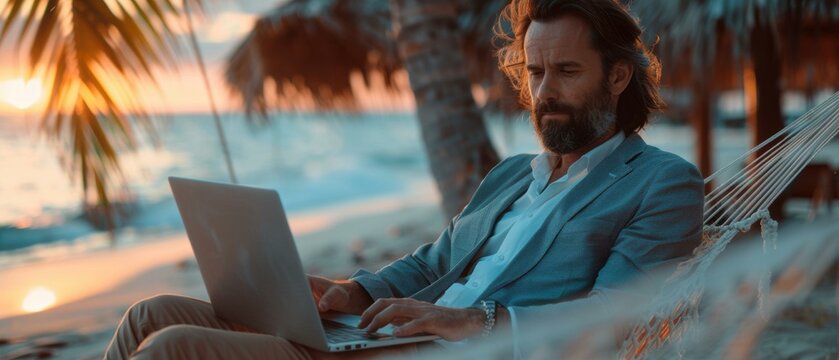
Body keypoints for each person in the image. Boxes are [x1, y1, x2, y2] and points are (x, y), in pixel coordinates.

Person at [105, 0, 703, 358]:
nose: (545, 93)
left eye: (567, 72)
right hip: (386, 336)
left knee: (171, 350)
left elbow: (620, 318)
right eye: (537, 72)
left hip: (445, 351)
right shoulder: (511, 176)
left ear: (619, 77)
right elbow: (432, 260)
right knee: (148, 314)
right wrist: (355, 292)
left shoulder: (660, 184)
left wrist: (476, 321)